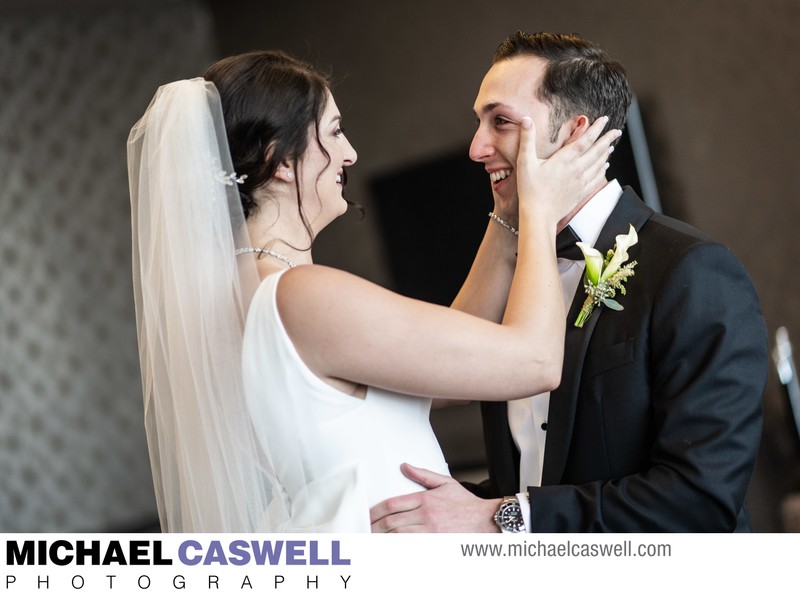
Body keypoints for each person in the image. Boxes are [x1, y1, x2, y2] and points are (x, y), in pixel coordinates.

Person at [128, 49, 620, 531]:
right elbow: (533, 361)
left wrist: (507, 205)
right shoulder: (301, 295)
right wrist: (539, 209)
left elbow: (444, 368)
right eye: (334, 132)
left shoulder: (240, 292)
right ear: (279, 160)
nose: (350, 153)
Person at [370, 31, 768, 533]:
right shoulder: (512, 281)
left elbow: (699, 501)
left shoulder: (692, 272)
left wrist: (497, 518)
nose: (476, 148)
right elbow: (539, 471)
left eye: (502, 122)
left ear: (575, 133)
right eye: (479, 123)